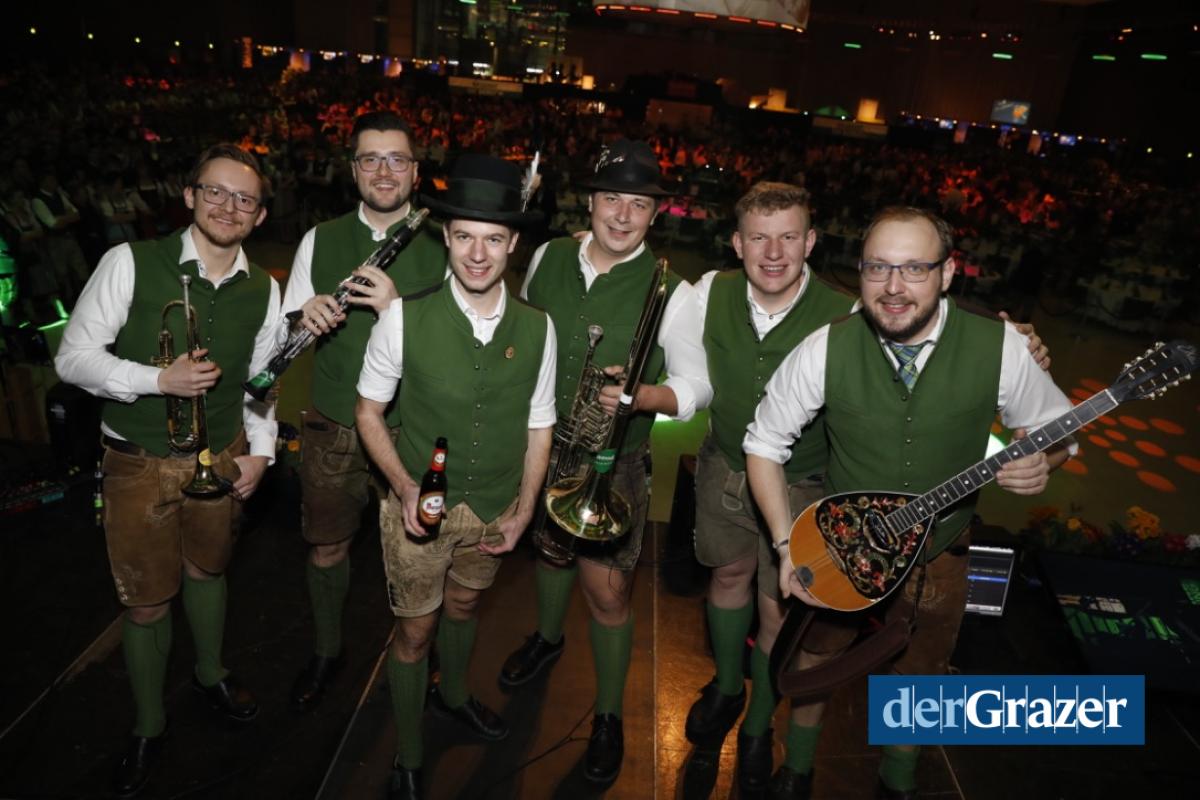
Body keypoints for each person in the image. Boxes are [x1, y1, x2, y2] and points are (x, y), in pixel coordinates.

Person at [686, 185, 1054, 796]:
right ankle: (796, 769)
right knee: (815, 659)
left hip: (942, 548)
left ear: (948, 273)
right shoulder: (827, 344)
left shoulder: (1002, 348)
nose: (894, 285)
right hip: (844, 542)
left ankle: (897, 779)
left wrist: (1045, 462)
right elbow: (764, 441)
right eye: (878, 267)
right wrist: (786, 544)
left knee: (921, 674)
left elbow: (1052, 428)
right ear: (860, 272)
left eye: (915, 268)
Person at [54, 143, 280, 799]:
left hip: (222, 455)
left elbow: (261, 383)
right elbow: (72, 358)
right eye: (215, 191)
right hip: (138, 464)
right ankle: (149, 725)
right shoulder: (130, 261)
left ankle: (210, 674)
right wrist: (157, 379)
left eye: (244, 199)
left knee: (208, 570)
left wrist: (263, 451)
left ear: (261, 215)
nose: (228, 207)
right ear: (188, 196)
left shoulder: (264, 288)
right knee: (147, 602)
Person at [499, 138, 711, 783]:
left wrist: (643, 396)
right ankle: (547, 638)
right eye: (612, 198)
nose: (622, 215)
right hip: (544, 443)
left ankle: (610, 716)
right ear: (589, 202)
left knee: (608, 597)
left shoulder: (674, 292)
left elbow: (696, 387)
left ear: (656, 213)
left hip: (611, 461)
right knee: (548, 552)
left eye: (639, 204)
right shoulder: (548, 256)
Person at [354, 154, 555, 800]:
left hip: (496, 506)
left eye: (493, 239)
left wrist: (524, 510)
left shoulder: (539, 327)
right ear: (446, 236)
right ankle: (410, 755)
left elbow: (540, 425)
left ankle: (457, 694)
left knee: (466, 605)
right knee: (415, 633)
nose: (477, 253)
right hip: (419, 509)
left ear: (513, 243)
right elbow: (368, 413)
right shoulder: (402, 318)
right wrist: (404, 487)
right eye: (465, 236)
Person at [282, 110, 446, 711]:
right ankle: (328, 650)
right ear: (353, 170)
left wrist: (395, 308)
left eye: (396, 159)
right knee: (327, 545)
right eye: (370, 159)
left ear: (415, 171)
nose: (383, 171)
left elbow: (461, 345)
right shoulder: (319, 239)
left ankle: (423, 654)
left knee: (421, 552)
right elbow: (286, 329)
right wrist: (302, 316)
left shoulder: (447, 242)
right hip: (333, 422)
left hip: (413, 426)